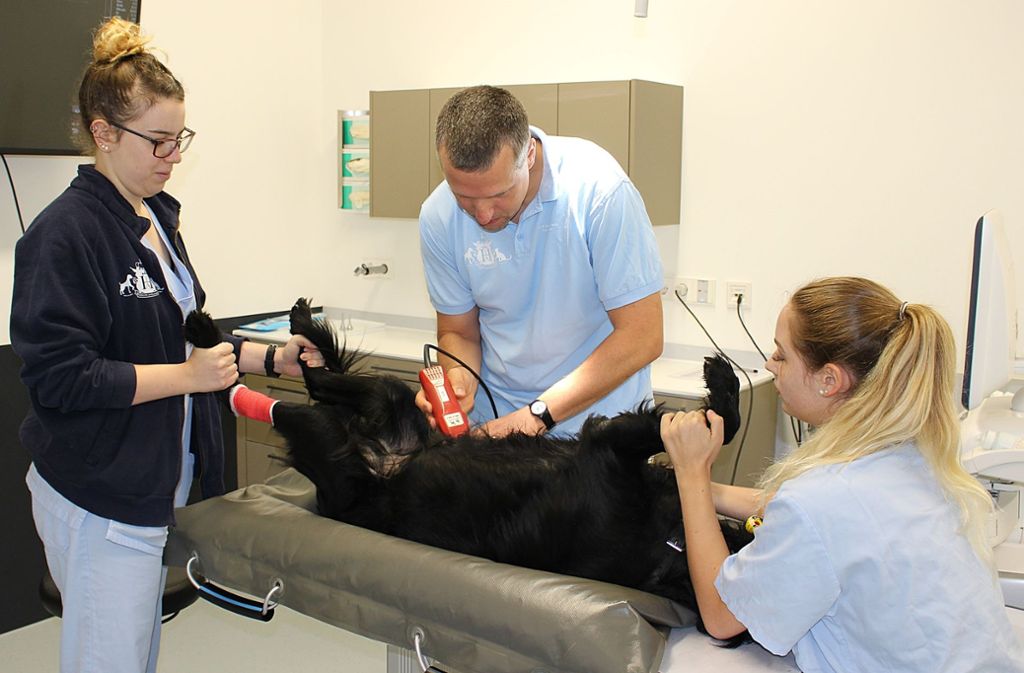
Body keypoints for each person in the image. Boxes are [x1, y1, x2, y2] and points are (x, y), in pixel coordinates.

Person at [9, 18, 318, 673]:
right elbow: (64, 378)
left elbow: (193, 335)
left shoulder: (155, 218)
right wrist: (185, 375)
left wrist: (271, 356)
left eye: (179, 139)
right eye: (157, 142)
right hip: (98, 498)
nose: (172, 156)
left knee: (133, 657)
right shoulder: (63, 237)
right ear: (103, 133)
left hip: (153, 490)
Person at [660, 277, 1024, 672]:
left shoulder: (819, 500)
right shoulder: (911, 454)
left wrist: (692, 472)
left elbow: (721, 617)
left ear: (829, 380)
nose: (769, 364)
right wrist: (700, 491)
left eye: (781, 356)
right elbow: (814, 518)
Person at [418, 85, 664, 438]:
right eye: (465, 198)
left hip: (600, 431)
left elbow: (642, 336)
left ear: (529, 155)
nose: (484, 215)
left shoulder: (599, 192)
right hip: (497, 428)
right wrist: (459, 383)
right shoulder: (438, 215)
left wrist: (537, 415)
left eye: (499, 194)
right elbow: (458, 331)